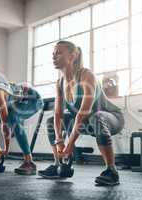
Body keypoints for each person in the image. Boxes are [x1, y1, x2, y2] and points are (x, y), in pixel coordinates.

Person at [38, 41, 124, 186]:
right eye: (53, 53)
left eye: (59, 53)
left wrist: (70, 144)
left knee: (96, 118)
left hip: (111, 118)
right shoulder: (60, 82)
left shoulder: (86, 75)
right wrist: (60, 142)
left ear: (72, 56)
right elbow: (58, 114)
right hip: (87, 122)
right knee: (51, 121)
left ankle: (112, 171)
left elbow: (83, 114)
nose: (54, 56)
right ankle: (60, 164)